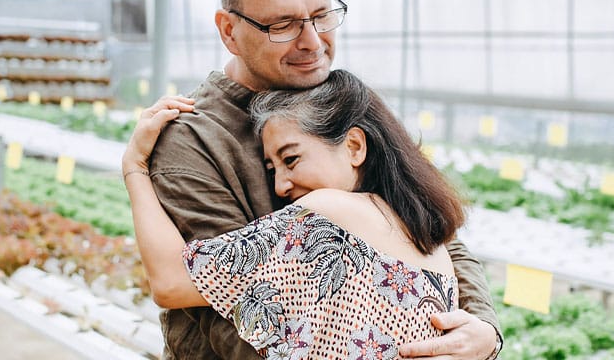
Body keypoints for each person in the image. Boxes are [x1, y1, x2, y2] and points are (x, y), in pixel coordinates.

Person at [147, 0, 502, 358]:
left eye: (321, 15)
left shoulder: (329, 96)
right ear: (229, 30)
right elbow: (225, 312)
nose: (313, 43)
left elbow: (427, 224)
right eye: (282, 24)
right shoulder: (193, 138)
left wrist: (483, 329)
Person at [124, 70, 468, 359]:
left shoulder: (327, 215)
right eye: (272, 169)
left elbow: (171, 283)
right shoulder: (434, 248)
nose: (280, 186)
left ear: (354, 147)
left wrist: (135, 168)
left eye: (291, 159)